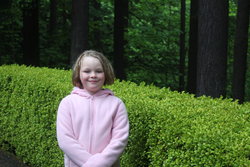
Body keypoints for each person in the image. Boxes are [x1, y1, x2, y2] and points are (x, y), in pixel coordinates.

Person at [56, 50, 129, 167]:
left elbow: (119, 140)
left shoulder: (117, 104)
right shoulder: (68, 103)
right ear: (78, 74)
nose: (93, 75)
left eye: (99, 71)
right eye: (87, 71)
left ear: (106, 73)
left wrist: (100, 164)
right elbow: (65, 140)